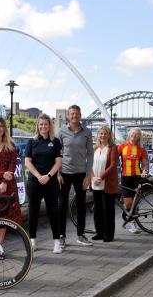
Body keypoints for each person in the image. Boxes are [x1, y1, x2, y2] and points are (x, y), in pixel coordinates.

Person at [24, 113, 63, 253]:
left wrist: (48, 175)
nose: (43, 126)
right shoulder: (32, 142)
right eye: (41, 124)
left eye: (46, 124)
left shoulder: (55, 141)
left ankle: (57, 242)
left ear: (49, 126)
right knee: (33, 211)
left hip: (50, 182)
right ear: (37, 126)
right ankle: (32, 240)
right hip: (34, 182)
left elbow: (59, 162)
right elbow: (27, 161)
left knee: (53, 212)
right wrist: (39, 175)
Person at [58, 105, 94, 247]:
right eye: (72, 114)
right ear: (68, 115)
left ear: (80, 115)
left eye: (77, 114)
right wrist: (58, 174)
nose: (74, 116)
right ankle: (61, 236)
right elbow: (57, 153)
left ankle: (81, 235)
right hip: (65, 173)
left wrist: (88, 175)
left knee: (81, 205)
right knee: (61, 205)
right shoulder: (61, 131)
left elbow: (90, 154)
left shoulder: (87, 132)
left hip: (81, 174)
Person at [118, 127, 149, 234]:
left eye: (136, 134)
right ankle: (128, 218)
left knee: (134, 202)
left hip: (137, 177)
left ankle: (133, 224)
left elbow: (145, 163)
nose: (134, 136)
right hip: (125, 177)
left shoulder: (141, 149)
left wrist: (144, 170)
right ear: (129, 135)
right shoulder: (122, 146)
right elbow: (112, 158)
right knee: (128, 203)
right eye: (132, 134)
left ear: (139, 137)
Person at [91, 126, 118, 242]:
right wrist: (93, 177)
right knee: (98, 210)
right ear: (98, 135)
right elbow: (89, 165)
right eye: (101, 134)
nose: (103, 136)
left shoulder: (112, 148)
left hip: (108, 183)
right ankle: (99, 232)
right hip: (95, 183)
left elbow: (113, 165)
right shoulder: (95, 148)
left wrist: (101, 177)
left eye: (105, 134)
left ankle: (109, 234)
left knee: (108, 210)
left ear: (109, 135)